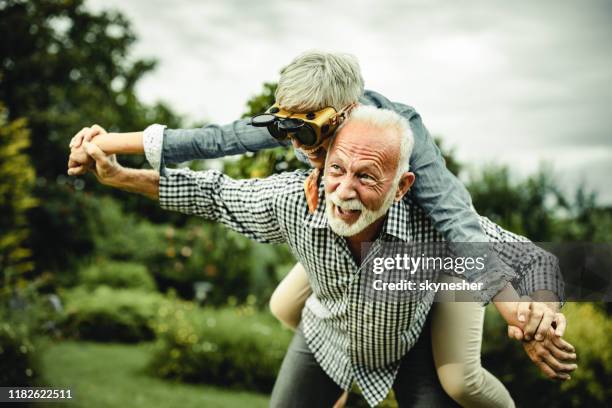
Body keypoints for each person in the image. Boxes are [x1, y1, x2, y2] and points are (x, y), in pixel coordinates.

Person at [69, 105, 576, 407]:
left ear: (402, 187)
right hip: (327, 338)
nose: (344, 190)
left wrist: (542, 313)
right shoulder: (295, 198)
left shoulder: (433, 227)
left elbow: (536, 262)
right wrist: (121, 176)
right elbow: (212, 193)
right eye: (337, 170)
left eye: (366, 177)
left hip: (410, 341)